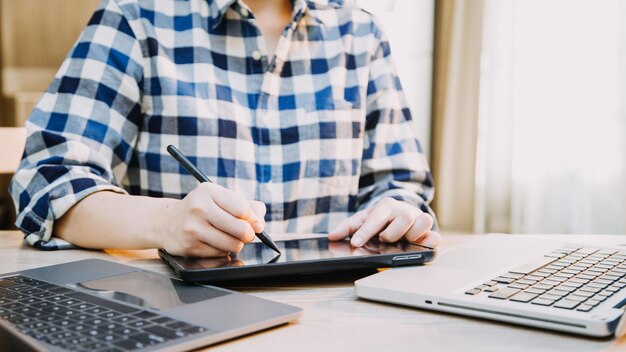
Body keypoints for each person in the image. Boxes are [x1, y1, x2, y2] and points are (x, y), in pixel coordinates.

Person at [9, 0, 440, 257]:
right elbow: (47, 182)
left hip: (338, 317)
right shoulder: (135, 17)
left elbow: (399, 184)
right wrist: (166, 223)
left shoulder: (360, 31)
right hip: (181, 312)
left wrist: (398, 211)